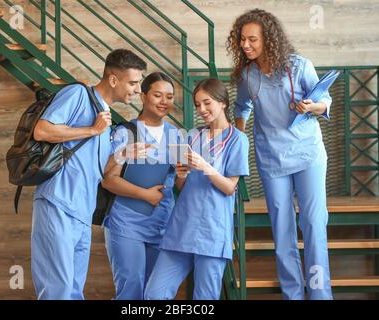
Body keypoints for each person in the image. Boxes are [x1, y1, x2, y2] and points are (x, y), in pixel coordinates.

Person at [226, 9, 333, 300]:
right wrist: (237, 140)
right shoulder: (248, 75)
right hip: (272, 159)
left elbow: (324, 101)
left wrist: (311, 107)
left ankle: (321, 294)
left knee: (312, 223)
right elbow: (241, 108)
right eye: (241, 40)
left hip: (307, 154)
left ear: (269, 39)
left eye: (252, 40)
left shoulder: (299, 66)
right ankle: (293, 295)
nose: (245, 46)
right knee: (282, 231)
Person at [30, 49, 147, 300]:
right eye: (134, 82)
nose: (138, 90)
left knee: (73, 291)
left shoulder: (104, 118)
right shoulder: (78, 95)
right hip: (58, 204)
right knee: (57, 290)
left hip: (82, 214)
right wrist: (92, 130)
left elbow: (102, 172)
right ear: (114, 80)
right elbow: (41, 130)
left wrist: (123, 154)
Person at [144, 78, 249, 300]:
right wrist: (182, 174)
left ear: (222, 103)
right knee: (154, 293)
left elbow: (230, 187)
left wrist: (204, 166)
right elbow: (182, 186)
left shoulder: (237, 140)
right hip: (182, 227)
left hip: (212, 230)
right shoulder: (193, 136)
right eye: (198, 104)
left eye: (207, 103)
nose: (202, 109)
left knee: (205, 298)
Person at [101, 72, 181, 300]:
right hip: (126, 222)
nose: (164, 101)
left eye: (169, 96)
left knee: (155, 293)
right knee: (131, 290)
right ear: (144, 96)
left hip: (162, 225)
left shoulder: (176, 135)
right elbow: (108, 179)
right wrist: (144, 194)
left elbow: (178, 180)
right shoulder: (125, 132)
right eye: (158, 95)